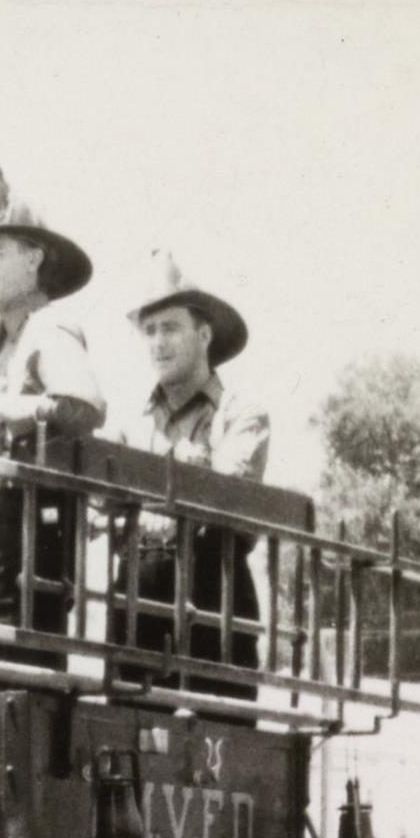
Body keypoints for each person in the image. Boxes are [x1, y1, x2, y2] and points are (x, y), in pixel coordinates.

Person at [0, 162, 105, 669]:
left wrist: (6, 413)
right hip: (6, 531)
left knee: (10, 680)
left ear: (34, 257)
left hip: (34, 537)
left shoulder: (48, 326)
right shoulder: (7, 341)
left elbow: (85, 406)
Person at [108, 249, 270, 700]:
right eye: (150, 330)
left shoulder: (241, 414)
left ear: (204, 334)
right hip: (137, 604)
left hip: (215, 605)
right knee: (125, 747)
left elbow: (227, 483)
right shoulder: (131, 424)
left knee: (218, 750)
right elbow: (102, 497)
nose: (158, 341)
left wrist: (152, 502)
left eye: (171, 327)